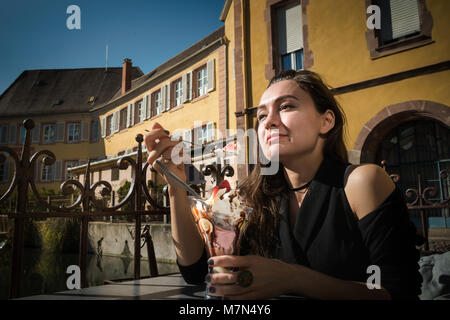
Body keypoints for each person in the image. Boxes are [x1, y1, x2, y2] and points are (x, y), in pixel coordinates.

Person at [144, 69, 422, 300]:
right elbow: (196, 271)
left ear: (326, 121)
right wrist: (175, 185)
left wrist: (292, 278)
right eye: (262, 115)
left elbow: (399, 292)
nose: (269, 122)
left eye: (287, 106)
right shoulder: (251, 197)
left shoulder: (360, 183)